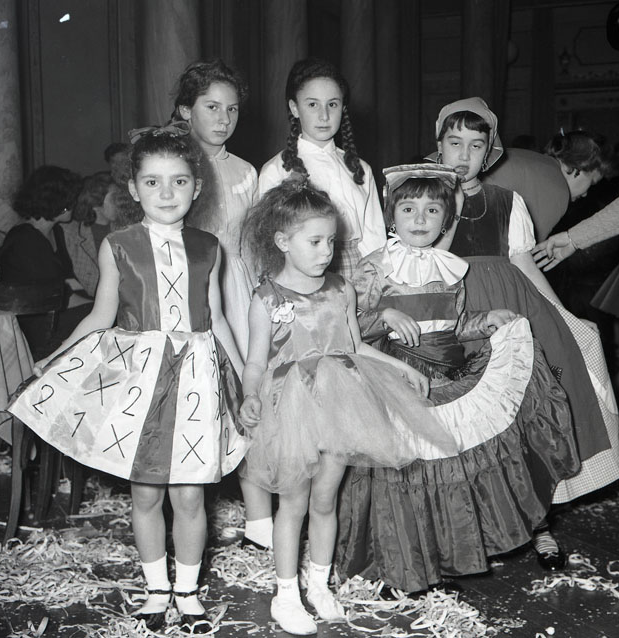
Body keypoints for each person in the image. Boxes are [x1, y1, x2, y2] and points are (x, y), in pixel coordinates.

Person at [8, 128, 247, 634]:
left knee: (190, 496)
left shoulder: (209, 247)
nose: (167, 192)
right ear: (134, 190)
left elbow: (218, 320)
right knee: (146, 495)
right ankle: (157, 589)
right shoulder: (118, 246)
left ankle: (187, 592)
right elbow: (100, 316)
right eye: (153, 182)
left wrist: (248, 376)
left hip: (197, 379)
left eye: (179, 181)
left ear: (196, 187)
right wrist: (54, 355)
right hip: (141, 380)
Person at [336, 164, 580, 593]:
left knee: (445, 474)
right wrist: (383, 315)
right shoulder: (375, 267)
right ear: (392, 215)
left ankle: (440, 562)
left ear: (446, 219)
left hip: (449, 375)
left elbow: (457, 324)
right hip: (398, 380)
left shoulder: (450, 266)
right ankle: (402, 567)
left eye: (432, 211)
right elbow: (345, 328)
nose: (419, 219)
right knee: (407, 475)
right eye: (408, 209)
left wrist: (488, 320)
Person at [238, 176, 456, 635]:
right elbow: (256, 360)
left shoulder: (340, 289)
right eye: (315, 241)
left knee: (325, 499)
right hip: (291, 406)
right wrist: (250, 394)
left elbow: (355, 345)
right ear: (282, 242)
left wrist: (401, 368)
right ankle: (285, 594)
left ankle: (319, 584)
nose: (326, 251)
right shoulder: (267, 297)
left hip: (338, 403)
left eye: (331, 241)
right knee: (293, 503)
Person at [430, 98, 619, 549]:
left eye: (476, 146)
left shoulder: (507, 201)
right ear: (438, 144)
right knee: (461, 421)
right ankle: (465, 527)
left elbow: (524, 263)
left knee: (523, 415)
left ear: (490, 153)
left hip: (510, 312)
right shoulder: (421, 196)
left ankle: (537, 523)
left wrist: (561, 314)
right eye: (455, 143)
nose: (464, 154)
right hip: (452, 316)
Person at [171, 58, 272, 552]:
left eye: (231, 109)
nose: (223, 118)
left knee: (249, 398)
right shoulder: (172, 166)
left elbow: (252, 240)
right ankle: (185, 524)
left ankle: (260, 524)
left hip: (238, 288)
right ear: (184, 111)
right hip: (186, 292)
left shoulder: (246, 171)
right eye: (211, 107)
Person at [257, 57, 386, 280]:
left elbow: (374, 237)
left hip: (355, 270)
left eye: (332, 104)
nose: (324, 116)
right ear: (294, 108)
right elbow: (268, 240)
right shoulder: (276, 170)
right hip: (299, 272)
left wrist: (375, 280)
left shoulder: (360, 169)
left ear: (343, 108)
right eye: (312, 104)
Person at [484, 130, 612, 242]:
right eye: (592, 182)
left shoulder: (532, 159)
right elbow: (526, 251)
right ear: (579, 168)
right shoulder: (558, 189)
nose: (585, 194)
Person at [0, 165, 82, 284]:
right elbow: (51, 287)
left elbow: (68, 278)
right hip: (33, 296)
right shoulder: (25, 239)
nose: (75, 203)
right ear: (58, 201)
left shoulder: (56, 231)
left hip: (54, 294)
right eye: (72, 199)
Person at [63, 171, 118, 298]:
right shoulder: (71, 234)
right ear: (95, 204)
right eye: (114, 198)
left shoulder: (125, 232)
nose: (120, 203)